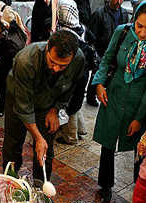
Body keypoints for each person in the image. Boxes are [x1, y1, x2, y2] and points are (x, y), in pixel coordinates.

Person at [92, 0, 146, 203]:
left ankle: (140, 191)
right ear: (134, 19)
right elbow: (108, 57)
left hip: (140, 100)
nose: (142, 32)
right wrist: (100, 83)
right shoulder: (122, 32)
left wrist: (139, 117)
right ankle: (105, 186)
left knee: (141, 147)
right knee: (108, 142)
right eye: (139, 25)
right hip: (114, 93)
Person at [2, 30, 85, 181]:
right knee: (12, 146)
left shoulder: (78, 59)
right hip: (19, 100)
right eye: (52, 62)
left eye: (63, 65)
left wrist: (56, 109)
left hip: (48, 103)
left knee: (46, 149)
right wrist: (37, 137)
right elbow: (24, 107)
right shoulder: (25, 61)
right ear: (47, 47)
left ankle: (41, 186)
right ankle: (9, 183)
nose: (56, 69)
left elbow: (70, 87)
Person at [54, 3, 96, 144]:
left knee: (70, 105)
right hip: (84, 73)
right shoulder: (82, 27)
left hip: (72, 74)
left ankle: (71, 136)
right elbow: (93, 39)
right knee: (77, 101)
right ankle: (81, 129)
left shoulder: (63, 34)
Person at [87, 0, 129, 107]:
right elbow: (92, 34)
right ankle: (91, 96)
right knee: (96, 74)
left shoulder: (124, 13)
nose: (118, 2)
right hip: (101, 50)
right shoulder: (99, 13)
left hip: (116, 51)